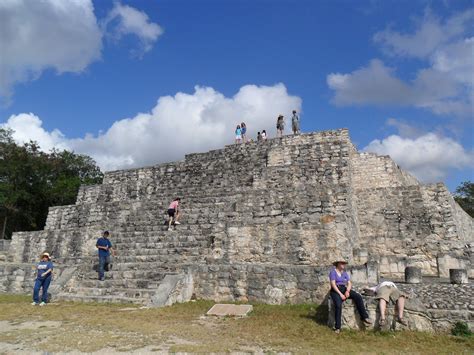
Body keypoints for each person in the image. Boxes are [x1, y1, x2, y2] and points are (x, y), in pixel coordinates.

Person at [329, 260, 372, 333]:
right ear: (338, 264)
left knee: (358, 296)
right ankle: (337, 327)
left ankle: (364, 317)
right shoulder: (333, 272)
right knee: (338, 305)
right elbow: (333, 284)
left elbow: (349, 283)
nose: (344, 265)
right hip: (335, 290)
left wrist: (347, 291)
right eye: (342, 263)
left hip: (343, 289)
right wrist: (340, 294)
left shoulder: (344, 273)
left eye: (344, 263)